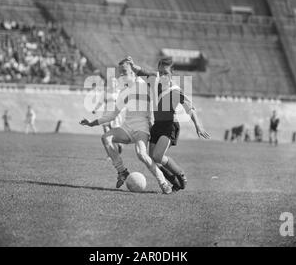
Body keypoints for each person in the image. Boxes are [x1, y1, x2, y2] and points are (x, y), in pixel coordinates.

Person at [80, 60, 172, 194]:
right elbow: (112, 115)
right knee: (106, 138)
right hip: (127, 128)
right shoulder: (123, 91)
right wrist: (92, 123)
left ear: (132, 71)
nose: (121, 75)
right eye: (120, 72)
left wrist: (138, 67)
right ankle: (122, 171)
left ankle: (163, 182)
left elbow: (157, 76)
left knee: (141, 154)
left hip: (142, 127)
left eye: (124, 71)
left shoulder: (145, 83)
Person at [126, 56, 210, 191]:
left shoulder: (176, 91)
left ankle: (180, 174)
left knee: (158, 156)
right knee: (153, 160)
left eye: (166, 73)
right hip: (157, 125)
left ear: (172, 74)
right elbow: (141, 71)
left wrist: (198, 126)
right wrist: (132, 65)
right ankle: (174, 182)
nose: (162, 75)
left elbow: (190, 109)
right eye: (160, 72)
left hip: (170, 126)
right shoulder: (154, 80)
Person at [92, 77, 124, 158]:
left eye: (114, 81)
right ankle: (110, 155)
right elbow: (100, 102)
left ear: (116, 83)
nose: (112, 83)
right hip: (106, 115)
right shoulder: (106, 93)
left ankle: (119, 144)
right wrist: (95, 109)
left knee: (114, 135)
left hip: (115, 117)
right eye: (110, 82)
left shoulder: (119, 93)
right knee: (106, 134)